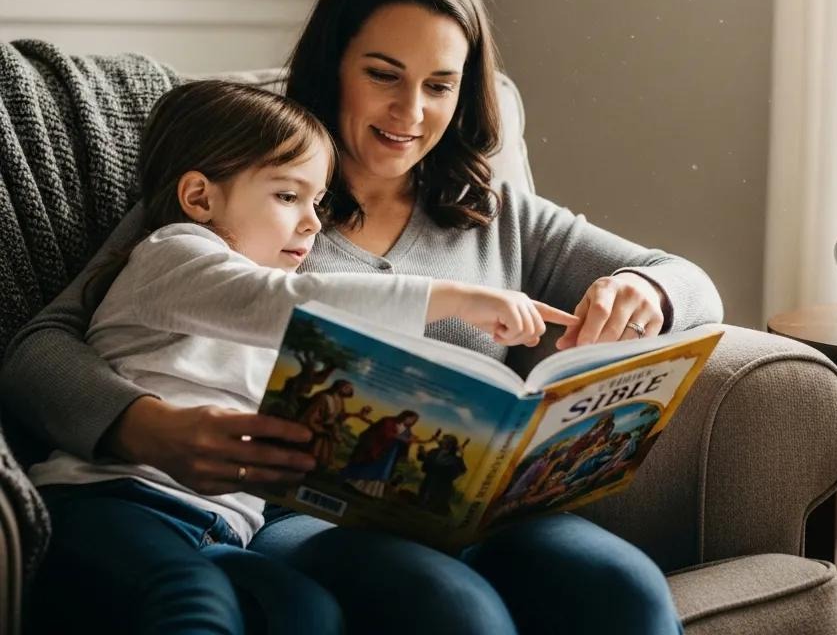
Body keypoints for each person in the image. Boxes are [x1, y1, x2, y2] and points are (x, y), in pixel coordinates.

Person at [2, 0, 723, 634]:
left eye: (439, 86)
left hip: (478, 511)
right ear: (334, 64)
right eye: (383, 75)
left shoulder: (496, 213)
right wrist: (147, 427)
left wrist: (644, 291)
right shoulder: (250, 191)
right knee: (452, 609)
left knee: (621, 588)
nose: (411, 113)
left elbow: (690, 284)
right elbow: (41, 347)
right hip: (301, 517)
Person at [25, 79, 567, 635]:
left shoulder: (264, 304)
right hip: (109, 502)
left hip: (223, 529)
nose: (313, 222)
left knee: (308, 611)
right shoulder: (175, 254)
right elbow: (277, 304)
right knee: (193, 599)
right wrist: (447, 298)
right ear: (200, 198)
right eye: (288, 196)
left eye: (318, 201)